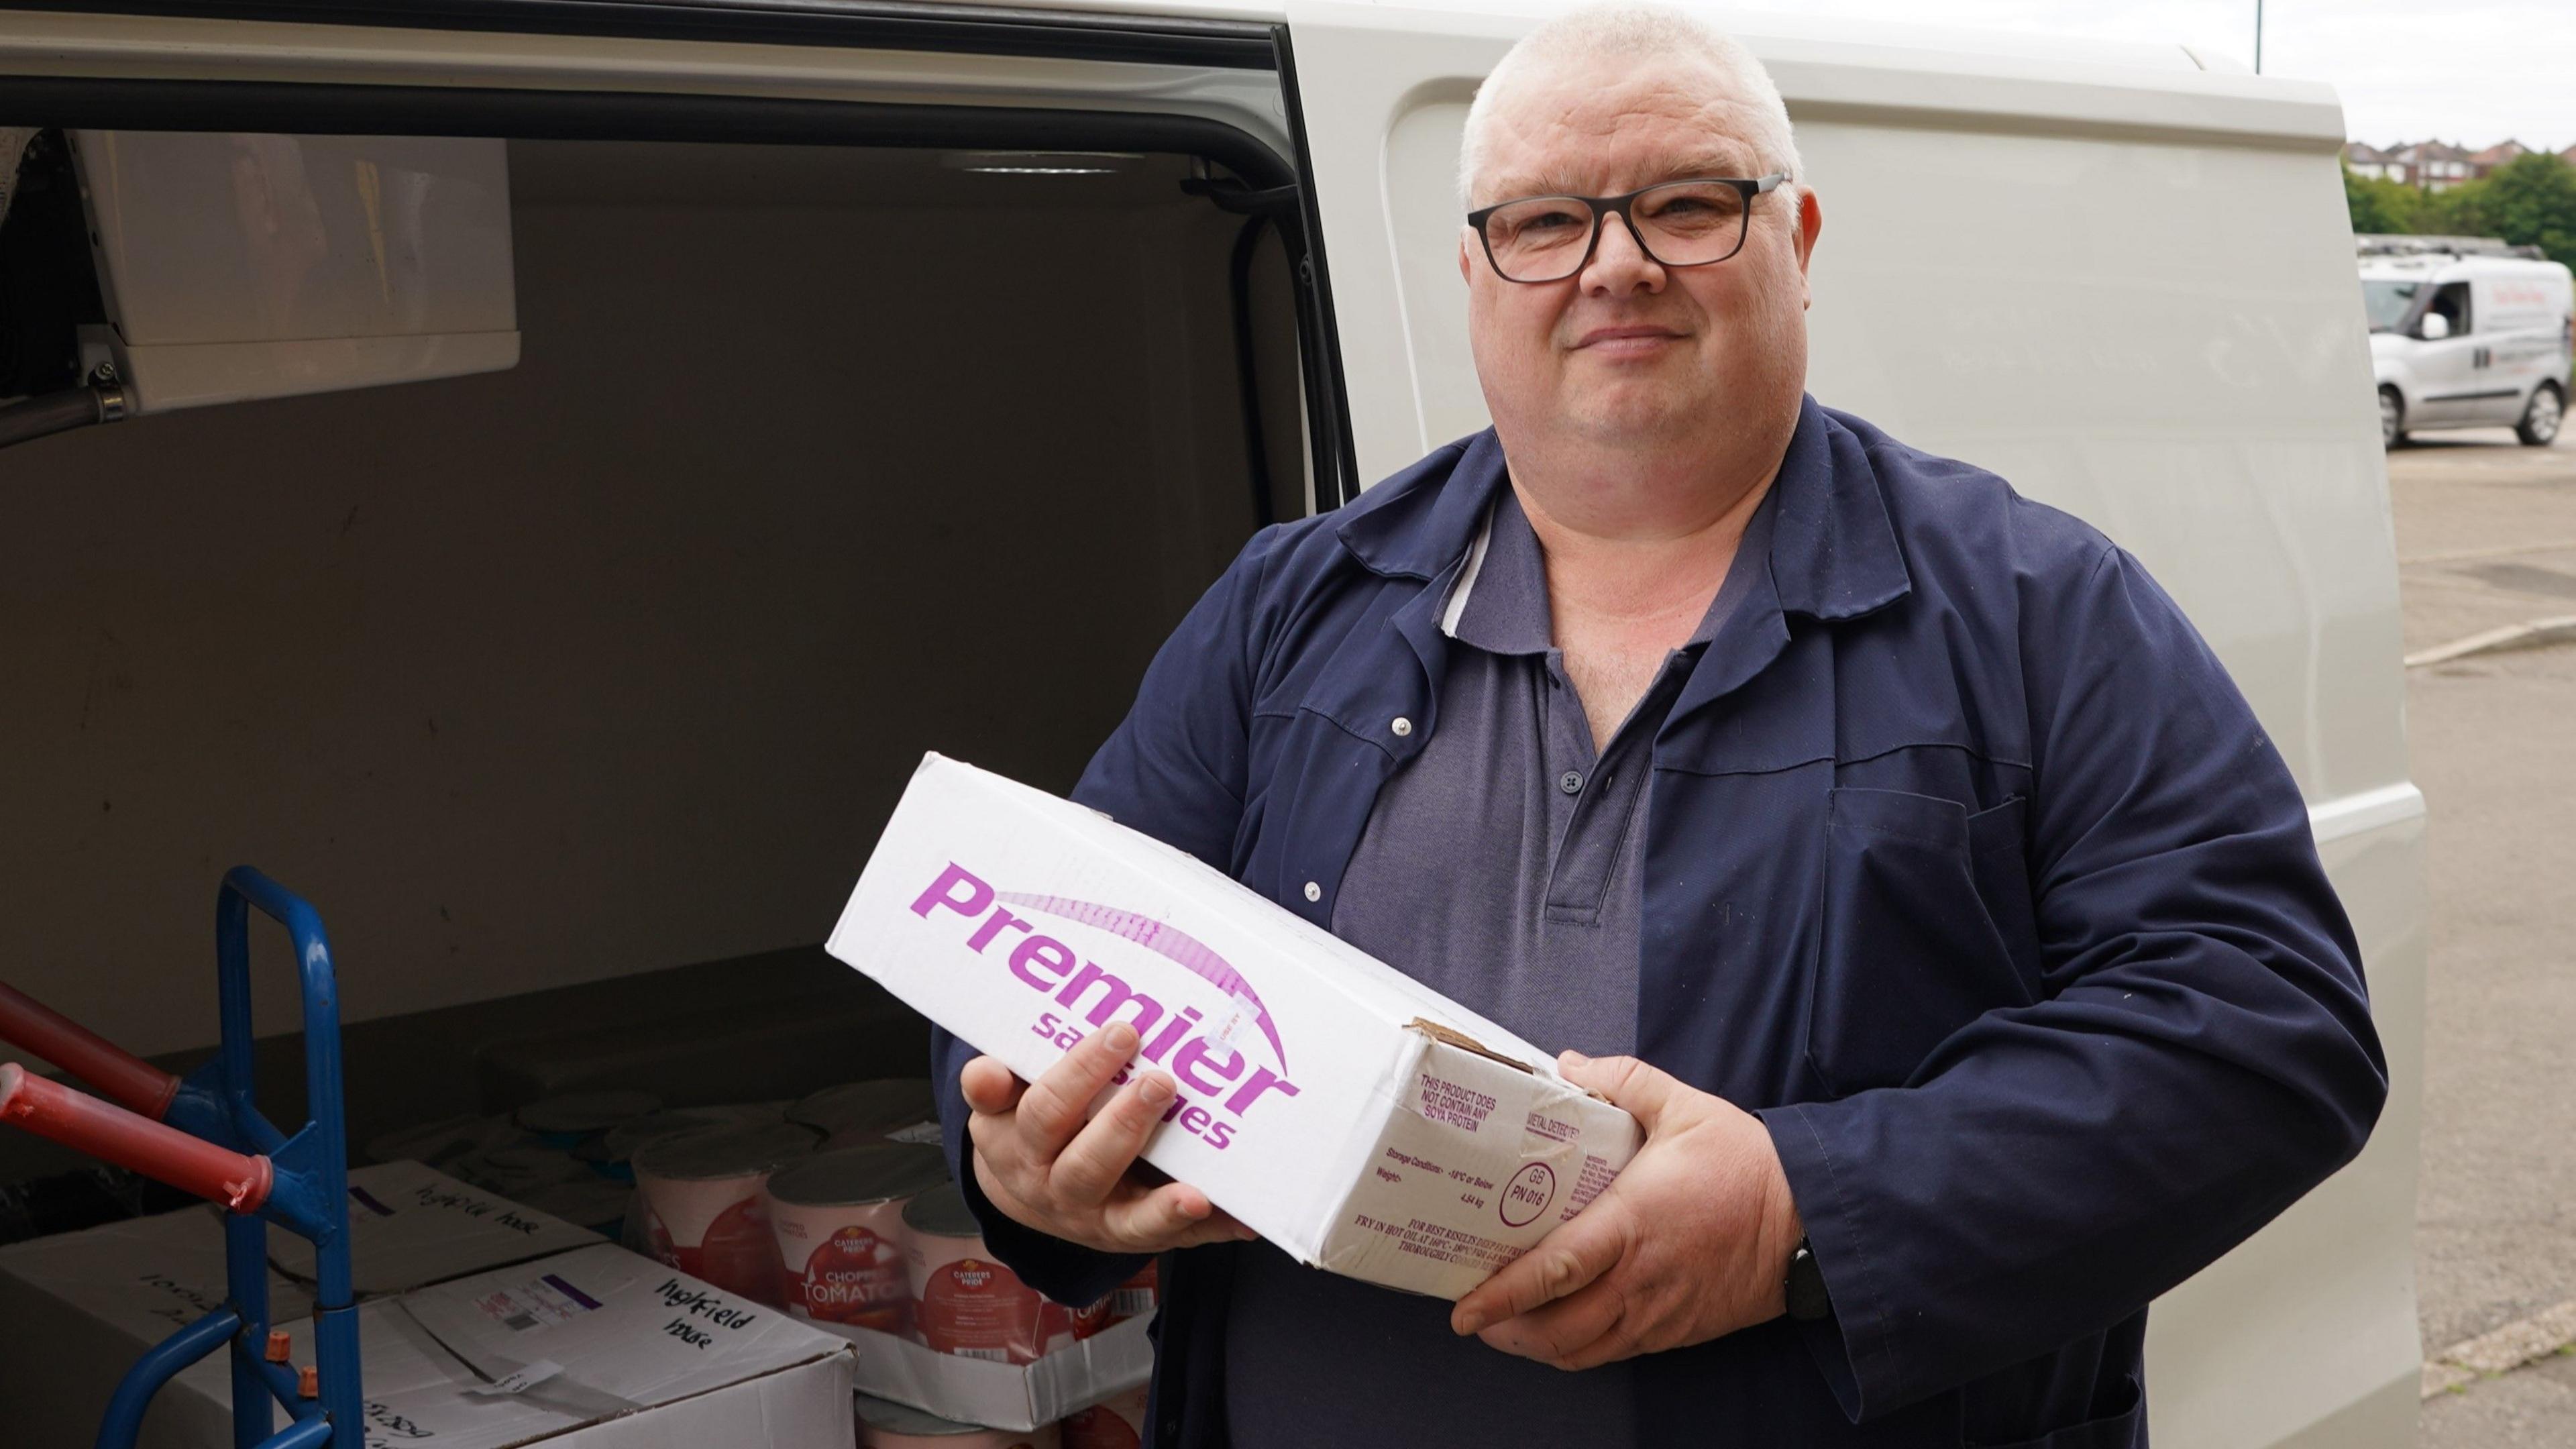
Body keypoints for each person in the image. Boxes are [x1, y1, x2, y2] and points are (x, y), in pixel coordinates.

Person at [930, 6, 2388, 1444]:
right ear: (1475, 269)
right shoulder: (1290, 605)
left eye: (1689, 205)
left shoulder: (2034, 609)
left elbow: (2269, 1029)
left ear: (1799, 239)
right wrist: (1021, 1160)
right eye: (1548, 220)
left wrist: (1805, 1212)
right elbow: (1042, 943)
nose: (1615, 267)